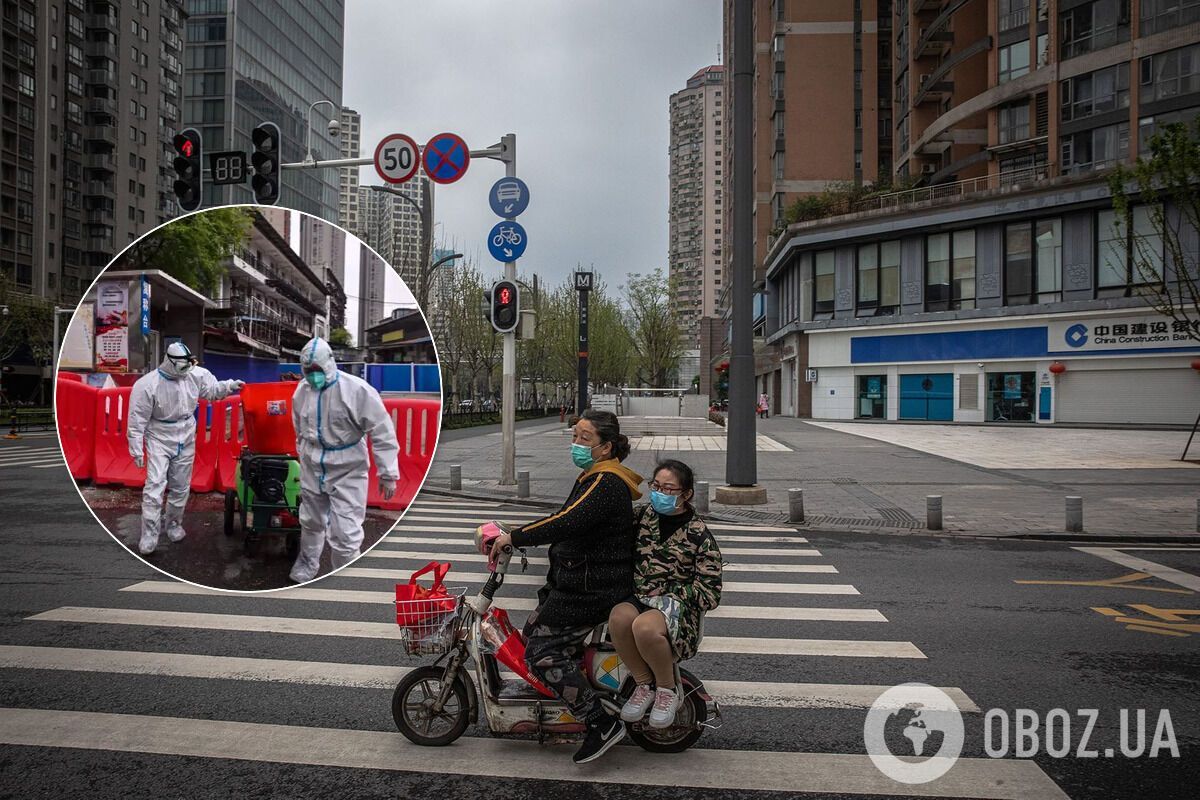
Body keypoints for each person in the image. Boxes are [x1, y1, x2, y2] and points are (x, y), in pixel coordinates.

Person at [487, 409, 643, 765]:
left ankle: (599, 721)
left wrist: (516, 536)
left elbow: (566, 522)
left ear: (605, 448)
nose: (576, 444)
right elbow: (564, 521)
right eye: (574, 436)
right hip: (576, 583)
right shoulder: (593, 475)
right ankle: (574, 703)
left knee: (541, 653)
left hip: (591, 589)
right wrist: (516, 533)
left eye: (584, 438)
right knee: (533, 633)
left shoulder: (607, 482)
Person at [609, 459, 722, 729]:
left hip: (678, 610)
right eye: (656, 486)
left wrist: (670, 590)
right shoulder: (643, 518)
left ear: (686, 494)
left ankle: (666, 690)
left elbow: (710, 593)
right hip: (640, 598)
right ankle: (643, 685)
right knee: (618, 618)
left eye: (668, 489)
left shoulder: (699, 535)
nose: (660, 493)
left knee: (644, 627)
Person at [289, 337, 400, 583]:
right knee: (310, 521)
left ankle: (345, 578)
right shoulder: (302, 391)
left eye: (317, 370)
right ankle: (308, 563)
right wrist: (303, 455)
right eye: (309, 371)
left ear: (330, 364)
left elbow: (382, 431)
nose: (313, 376)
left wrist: (388, 472)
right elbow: (299, 427)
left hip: (348, 468)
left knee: (345, 532)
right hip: (312, 464)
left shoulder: (356, 391)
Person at [127, 342, 244, 556]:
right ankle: (150, 534)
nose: (185, 371)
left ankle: (173, 524)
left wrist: (229, 386)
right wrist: (136, 448)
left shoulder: (195, 374)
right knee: (154, 486)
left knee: (181, 486)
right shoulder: (147, 385)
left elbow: (212, 391)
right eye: (182, 367)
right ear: (169, 362)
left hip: (186, 434)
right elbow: (137, 419)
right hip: (159, 436)